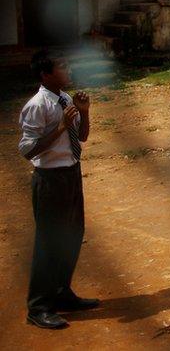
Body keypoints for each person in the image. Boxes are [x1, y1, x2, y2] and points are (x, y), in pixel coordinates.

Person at [19, 51, 100, 329]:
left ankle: (62, 292)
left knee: (73, 234)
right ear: (45, 74)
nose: (68, 69)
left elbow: (83, 136)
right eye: (62, 66)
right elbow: (28, 150)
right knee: (48, 242)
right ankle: (38, 306)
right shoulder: (37, 105)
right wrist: (60, 127)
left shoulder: (65, 99)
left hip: (71, 173)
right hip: (50, 179)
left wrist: (84, 113)